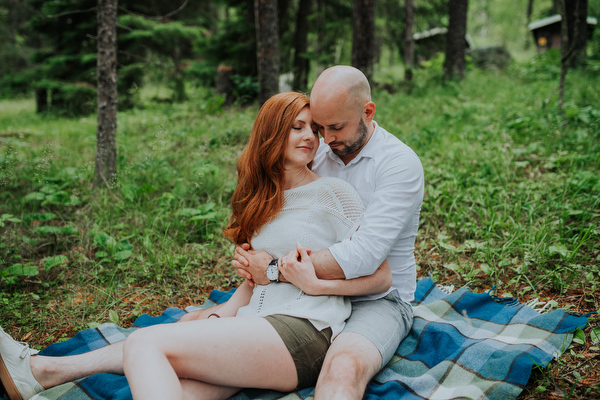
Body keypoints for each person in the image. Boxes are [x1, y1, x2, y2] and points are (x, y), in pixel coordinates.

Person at [0, 92, 392, 400]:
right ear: (271, 134)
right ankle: (46, 374)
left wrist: (318, 286)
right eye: (296, 127)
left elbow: (380, 275)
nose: (310, 137)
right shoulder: (265, 201)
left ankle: (43, 371)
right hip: (257, 328)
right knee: (178, 385)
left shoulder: (334, 193)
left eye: (313, 129)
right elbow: (255, 283)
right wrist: (221, 313)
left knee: (144, 343)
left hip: (304, 331)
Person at [226, 65, 425, 400]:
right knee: (224, 350)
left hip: (376, 298)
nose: (326, 139)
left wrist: (274, 269)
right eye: (320, 128)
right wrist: (249, 255)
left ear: (368, 111)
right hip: (307, 297)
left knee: (342, 369)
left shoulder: (398, 164)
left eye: (336, 127)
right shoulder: (318, 152)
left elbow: (364, 255)